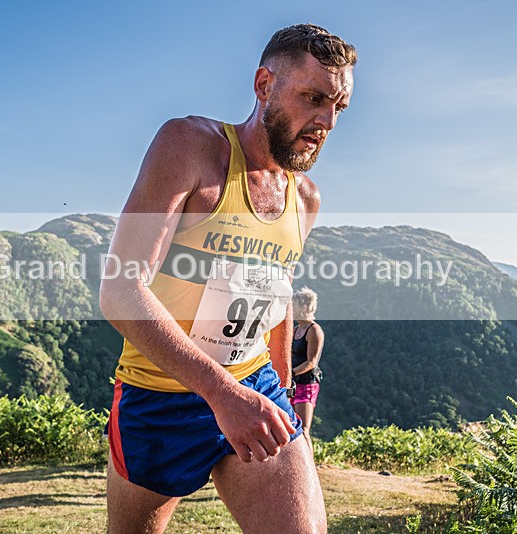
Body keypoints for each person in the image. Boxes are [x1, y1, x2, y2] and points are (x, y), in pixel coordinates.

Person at [99, 23, 356, 533]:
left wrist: (277, 388)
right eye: (312, 98)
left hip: (253, 384)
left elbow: (275, 295)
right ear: (264, 85)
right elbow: (121, 290)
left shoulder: (305, 199)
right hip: (161, 396)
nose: (325, 120)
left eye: (338, 107)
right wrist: (220, 394)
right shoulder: (191, 145)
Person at [291, 287, 325, 456]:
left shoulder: (314, 330)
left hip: (306, 385)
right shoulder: (296, 330)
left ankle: (309, 467)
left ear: (304, 308)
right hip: (293, 384)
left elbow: (311, 362)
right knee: (290, 427)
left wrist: (291, 373)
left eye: (294, 305)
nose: (291, 308)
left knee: (304, 429)